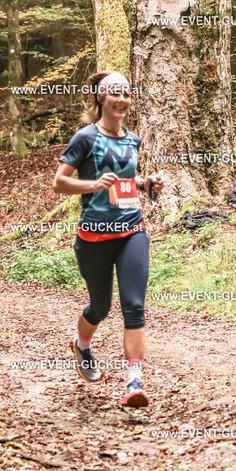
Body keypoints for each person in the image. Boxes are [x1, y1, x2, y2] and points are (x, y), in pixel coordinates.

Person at [53, 71, 164, 406]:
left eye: (127, 94)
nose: (122, 100)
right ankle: (82, 344)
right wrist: (93, 185)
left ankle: (134, 384)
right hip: (94, 236)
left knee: (134, 306)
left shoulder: (133, 139)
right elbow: (59, 182)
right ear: (101, 97)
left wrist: (145, 184)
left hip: (132, 230)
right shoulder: (85, 137)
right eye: (115, 93)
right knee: (100, 307)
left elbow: (125, 178)